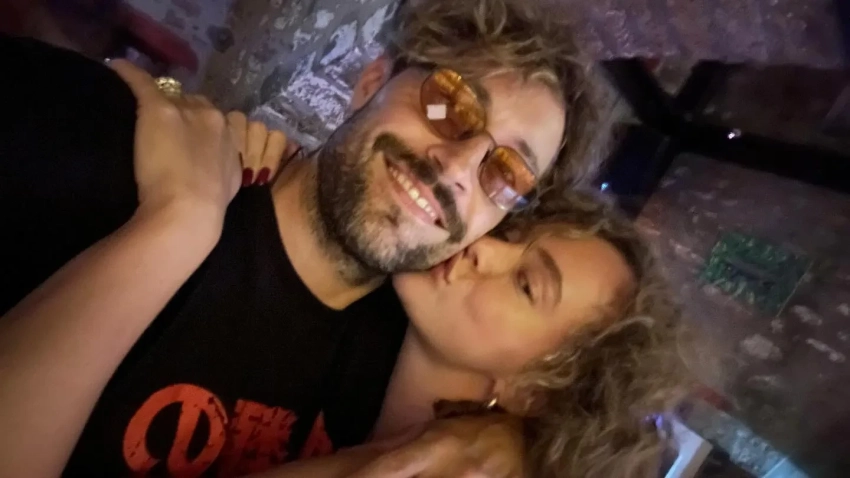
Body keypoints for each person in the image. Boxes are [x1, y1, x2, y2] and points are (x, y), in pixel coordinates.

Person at [0, 0, 604, 476]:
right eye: (450, 104)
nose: (457, 168)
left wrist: (509, 440)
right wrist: (177, 222)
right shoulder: (110, 148)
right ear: (372, 82)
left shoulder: (411, 380)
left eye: (506, 173)